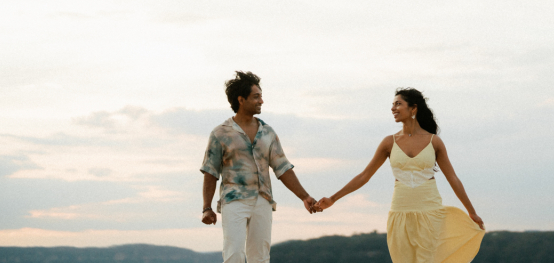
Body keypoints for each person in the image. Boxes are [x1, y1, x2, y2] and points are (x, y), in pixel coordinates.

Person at [317, 88, 485, 263]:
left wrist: (471, 212)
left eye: (398, 104)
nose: (393, 108)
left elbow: (453, 178)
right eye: (393, 104)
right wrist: (333, 198)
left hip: (430, 211)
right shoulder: (389, 142)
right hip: (400, 211)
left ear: (413, 108)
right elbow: (364, 176)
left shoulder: (434, 141)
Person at [200, 71, 319, 263]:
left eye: (261, 96)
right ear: (241, 100)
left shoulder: (268, 133)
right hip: (234, 200)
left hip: (263, 200)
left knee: (260, 258)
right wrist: (207, 207)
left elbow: (283, 168)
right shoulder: (220, 133)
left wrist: (304, 196)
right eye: (256, 97)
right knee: (234, 255)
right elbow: (210, 172)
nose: (261, 101)